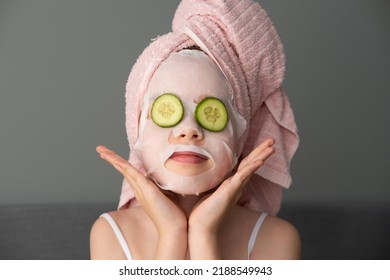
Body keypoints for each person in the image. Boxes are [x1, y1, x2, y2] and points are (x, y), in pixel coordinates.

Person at [90, 0, 300, 260]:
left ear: (240, 138)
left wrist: (203, 233)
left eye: (212, 114)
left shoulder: (277, 239)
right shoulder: (111, 233)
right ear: (136, 132)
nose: (189, 130)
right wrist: (172, 232)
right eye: (166, 112)